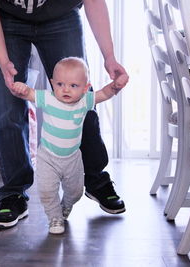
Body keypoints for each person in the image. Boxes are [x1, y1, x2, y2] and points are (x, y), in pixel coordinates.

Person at [0, 0, 129, 229]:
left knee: (80, 99)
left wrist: (109, 56)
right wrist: (4, 62)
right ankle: (14, 194)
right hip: (7, 20)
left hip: (62, 15)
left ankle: (96, 179)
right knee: (8, 109)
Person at [10, 57, 128, 234]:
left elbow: (103, 94)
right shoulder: (48, 98)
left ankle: (66, 205)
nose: (65, 89)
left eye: (73, 86)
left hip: (72, 158)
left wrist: (115, 87)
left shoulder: (84, 101)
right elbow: (28, 93)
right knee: (47, 191)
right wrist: (21, 89)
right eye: (60, 84)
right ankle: (54, 217)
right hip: (48, 157)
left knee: (76, 192)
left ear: (85, 88)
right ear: (52, 83)